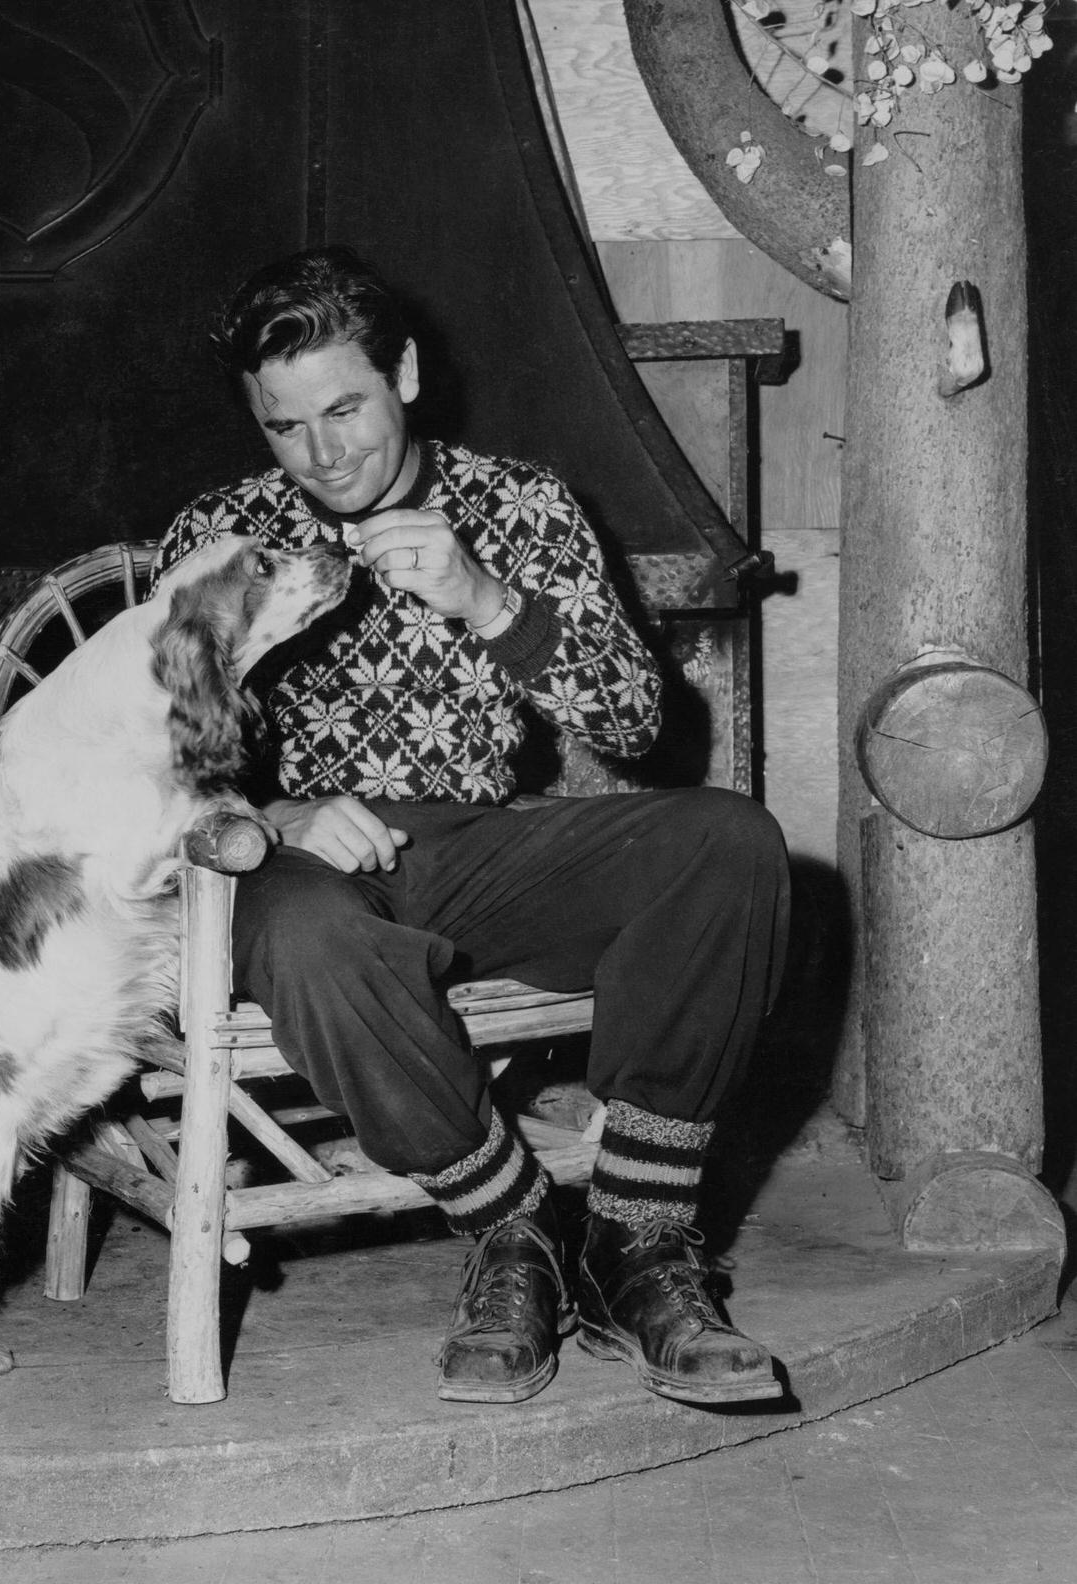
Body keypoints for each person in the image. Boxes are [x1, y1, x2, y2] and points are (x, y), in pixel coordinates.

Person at [153, 245, 791, 1407]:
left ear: (400, 373)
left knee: (728, 841)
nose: (324, 452)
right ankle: (516, 1232)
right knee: (303, 931)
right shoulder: (221, 533)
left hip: (486, 850)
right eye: (285, 425)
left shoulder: (519, 503)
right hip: (295, 873)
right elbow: (149, 758)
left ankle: (638, 1244)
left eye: (343, 407)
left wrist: (490, 604)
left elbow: (641, 722)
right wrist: (276, 811)